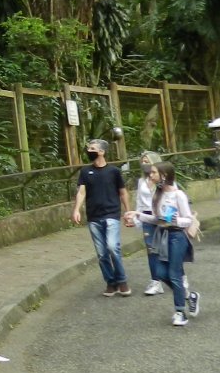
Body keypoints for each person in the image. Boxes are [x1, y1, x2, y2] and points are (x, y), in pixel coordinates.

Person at [128, 161, 200, 326]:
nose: (150, 175)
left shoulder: (178, 195)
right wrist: (137, 214)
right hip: (162, 236)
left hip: (177, 237)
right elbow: (156, 219)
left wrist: (176, 220)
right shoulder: (158, 195)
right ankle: (189, 296)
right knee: (160, 272)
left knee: (174, 273)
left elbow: (188, 220)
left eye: (153, 172)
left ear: (164, 175)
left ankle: (180, 312)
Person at [72, 138, 131, 297]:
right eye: (89, 148)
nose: (89, 151)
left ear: (102, 152)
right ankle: (111, 282)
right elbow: (81, 192)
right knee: (101, 253)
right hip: (93, 216)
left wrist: (128, 211)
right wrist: (77, 209)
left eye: (93, 148)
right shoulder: (85, 171)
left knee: (112, 247)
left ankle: (122, 280)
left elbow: (123, 192)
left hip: (111, 214)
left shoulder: (114, 172)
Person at [131, 153, 166, 296]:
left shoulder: (164, 180)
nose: (144, 164)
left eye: (147, 161)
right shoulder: (141, 181)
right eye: (143, 162)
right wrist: (136, 218)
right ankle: (156, 282)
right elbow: (139, 201)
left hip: (163, 216)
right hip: (146, 217)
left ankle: (180, 277)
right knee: (151, 250)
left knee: (168, 248)